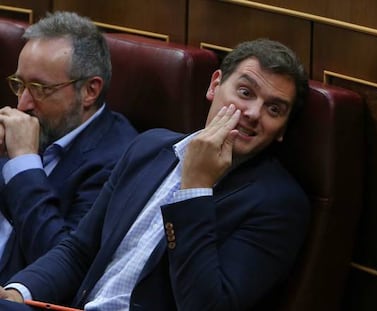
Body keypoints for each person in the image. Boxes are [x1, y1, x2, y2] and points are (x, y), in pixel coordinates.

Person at [0, 38, 311, 310]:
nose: (253, 113)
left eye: (274, 109)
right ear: (215, 84)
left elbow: (205, 306)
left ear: (282, 129)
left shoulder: (279, 204)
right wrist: (16, 292)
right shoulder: (148, 147)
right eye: (245, 92)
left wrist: (195, 189)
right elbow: (78, 251)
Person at [0, 11, 137, 285]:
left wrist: (24, 165)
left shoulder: (118, 162)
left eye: (40, 88)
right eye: (19, 85)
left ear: (89, 91)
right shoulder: (22, 127)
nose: (23, 103)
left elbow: (62, 263)